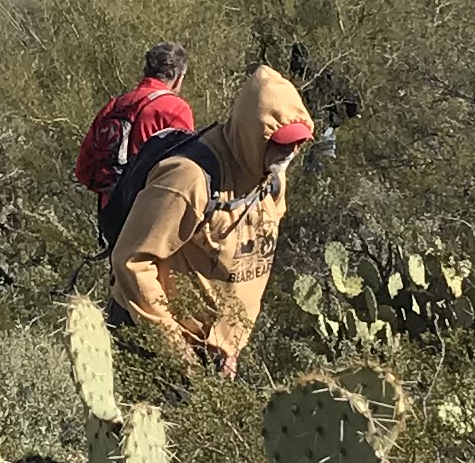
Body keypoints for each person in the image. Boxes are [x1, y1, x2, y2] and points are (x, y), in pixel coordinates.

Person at [104, 63, 313, 378]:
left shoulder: (272, 180)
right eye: (282, 142)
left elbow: (253, 265)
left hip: (216, 354)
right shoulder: (188, 177)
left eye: (299, 142)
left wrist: (230, 345)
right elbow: (131, 261)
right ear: (253, 135)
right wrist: (175, 349)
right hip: (153, 342)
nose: (291, 151)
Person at [76, 41, 196, 251]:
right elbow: (187, 172)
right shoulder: (175, 108)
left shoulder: (116, 105)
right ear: (178, 77)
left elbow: (83, 168)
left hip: (112, 215)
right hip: (151, 220)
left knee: (120, 280)